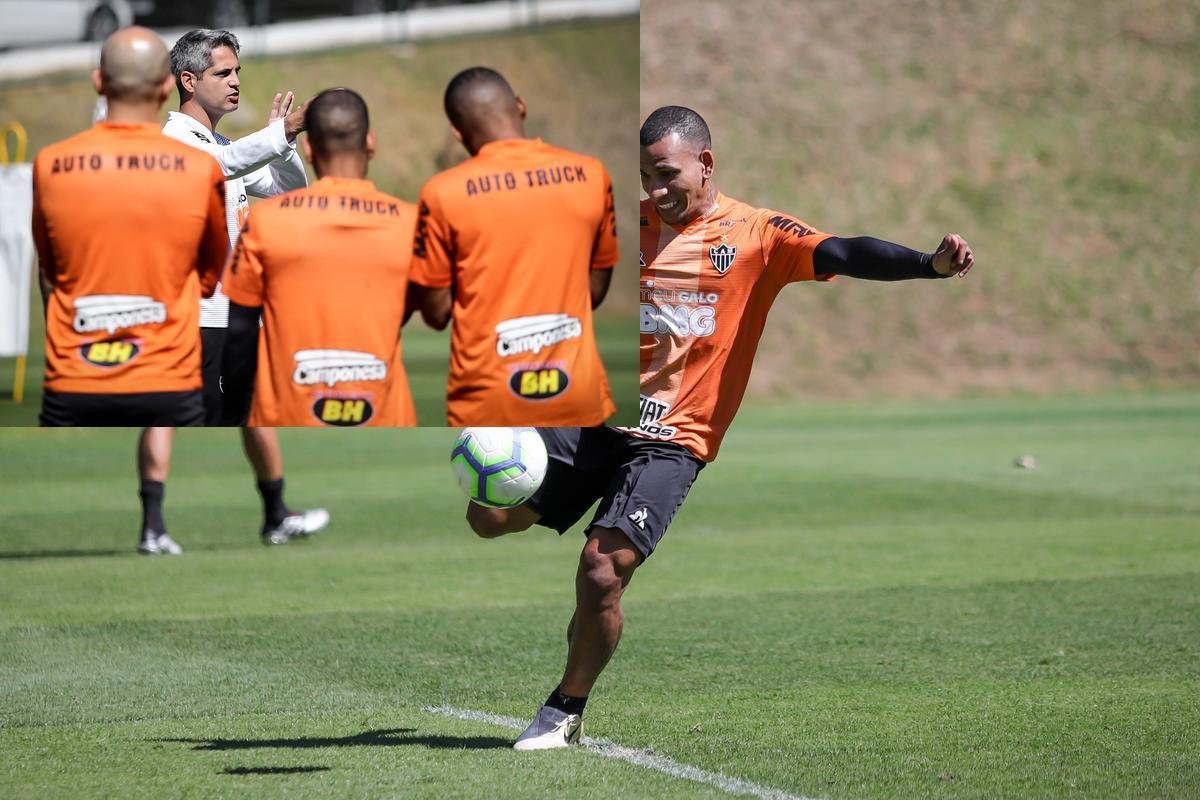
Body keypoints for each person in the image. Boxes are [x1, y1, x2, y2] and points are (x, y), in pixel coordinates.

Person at [467, 105, 976, 749]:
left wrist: (926, 265)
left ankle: (565, 708)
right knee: (486, 515)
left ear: (704, 164)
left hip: (674, 439)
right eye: (645, 176)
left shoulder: (760, 234)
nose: (654, 190)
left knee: (601, 570)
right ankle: (568, 595)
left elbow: (845, 251)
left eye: (666, 174)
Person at [136, 29, 326, 555]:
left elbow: (290, 191)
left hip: (236, 314)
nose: (236, 81)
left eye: (238, 71)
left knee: (253, 414)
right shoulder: (173, 141)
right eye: (224, 73)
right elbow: (212, 170)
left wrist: (280, 139)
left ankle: (275, 514)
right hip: (193, 314)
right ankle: (153, 526)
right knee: (172, 414)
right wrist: (279, 132)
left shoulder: (224, 145)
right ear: (189, 80)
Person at [33, 26, 228, 426]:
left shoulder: (51, 164)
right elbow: (210, 277)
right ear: (164, 87)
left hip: (75, 377)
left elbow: (51, 274)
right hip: (168, 377)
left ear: (98, 82)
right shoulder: (199, 169)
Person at [407, 66, 618, 427]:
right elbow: (594, 291)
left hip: (488, 405)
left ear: (458, 132)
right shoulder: (590, 173)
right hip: (576, 397)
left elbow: (436, 313)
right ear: (520, 105)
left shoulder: (442, 193)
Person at [219, 88, 418, 427]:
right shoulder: (409, 221)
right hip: (384, 414)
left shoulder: (265, 222)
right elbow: (437, 310)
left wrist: (236, 401)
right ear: (370, 142)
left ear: (309, 150)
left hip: (286, 415)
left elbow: (240, 326)